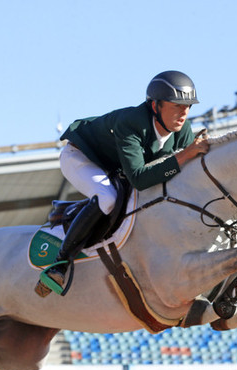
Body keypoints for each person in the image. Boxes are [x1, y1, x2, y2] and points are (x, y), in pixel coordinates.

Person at [35, 71, 210, 297]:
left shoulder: (182, 131)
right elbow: (139, 178)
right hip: (82, 156)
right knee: (108, 198)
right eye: (177, 105)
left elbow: (181, 174)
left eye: (188, 106)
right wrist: (185, 156)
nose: (184, 112)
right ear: (155, 105)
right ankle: (59, 264)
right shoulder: (133, 123)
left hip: (115, 167)